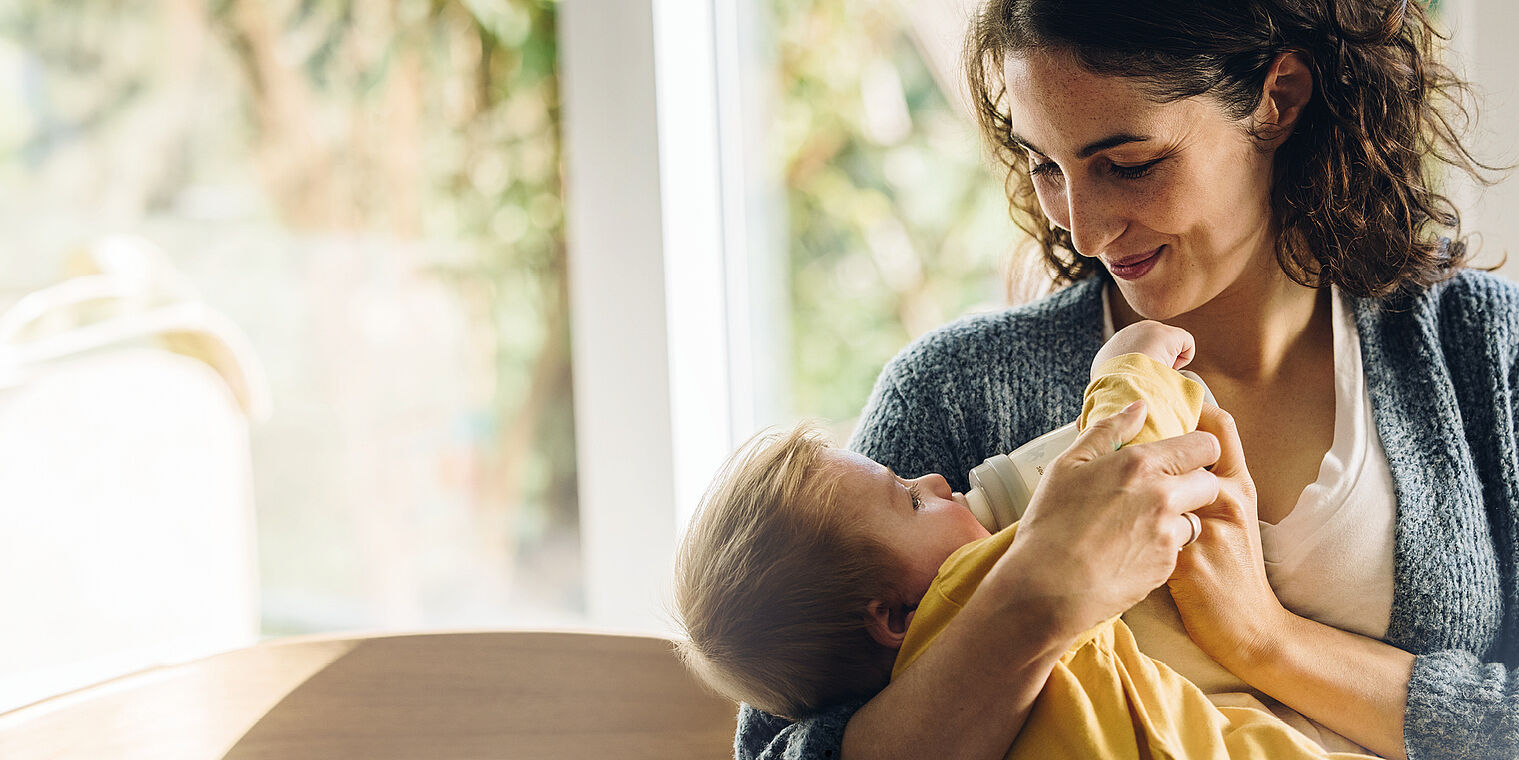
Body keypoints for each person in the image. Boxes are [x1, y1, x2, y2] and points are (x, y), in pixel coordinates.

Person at [735, 1, 1519, 760]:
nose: (1081, 226)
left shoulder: (1479, 351)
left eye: (1129, 165)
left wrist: (1260, 637)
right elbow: (776, 750)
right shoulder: (955, 390)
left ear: (1277, 99)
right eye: (1045, 164)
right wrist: (1032, 598)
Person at [677, 322, 1374, 758]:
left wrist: (1265, 637)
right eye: (913, 499)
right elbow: (1129, 449)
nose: (938, 480)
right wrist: (1130, 370)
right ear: (891, 617)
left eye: (1132, 164)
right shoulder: (964, 582)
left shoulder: (1460, 336)